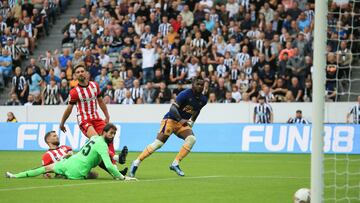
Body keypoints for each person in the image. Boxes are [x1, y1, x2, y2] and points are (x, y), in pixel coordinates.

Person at [130, 77, 207, 177]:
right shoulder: (185, 94)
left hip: (182, 124)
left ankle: (175, 163)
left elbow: (197, 110)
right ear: (193, 85)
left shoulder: (203, 99)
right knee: (158, 144)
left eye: (202, 84)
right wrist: (180, 119)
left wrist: (191, 122)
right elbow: (172, 108)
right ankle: (136, 162)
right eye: (198, 84)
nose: (200, 86)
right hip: (170, 119)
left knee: (191, 139)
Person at [6, 123, 136, 181]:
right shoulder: (103, 145)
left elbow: (85, 151)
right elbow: (107, 165)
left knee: (44, 168)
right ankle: (118, 166)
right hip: (78, 172)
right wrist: (123, 177)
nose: (112, 136)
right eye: (111, 133)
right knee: (101, 161)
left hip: (68, 162)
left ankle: (15, 176)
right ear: (104, 133)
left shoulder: (94, 138)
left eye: (114, 134)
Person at [59, 63, 122, 167]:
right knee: (98, 140)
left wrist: (107, 116)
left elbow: (101, 102)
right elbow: (69, 109)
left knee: (109, 137)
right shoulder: (74, 92)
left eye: (82, 71)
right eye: (78, 72)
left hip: (96, 118)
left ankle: (113, 166)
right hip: (84, 121)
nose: (80, 73)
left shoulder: (94, 85)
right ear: (75, 76)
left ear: (86, 73)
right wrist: (62, 123)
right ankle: (114, 158)